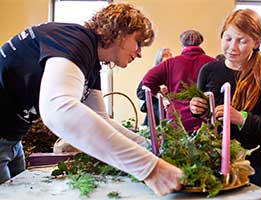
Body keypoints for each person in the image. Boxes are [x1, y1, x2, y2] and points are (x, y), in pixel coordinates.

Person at [0, 3, 184, 196]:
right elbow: (58, 110)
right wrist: (149, 168)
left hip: (13, 141)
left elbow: (101, 118)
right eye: (138, 42)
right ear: (120, 31)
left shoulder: (90, 62)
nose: (139, 53)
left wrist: (150, 148)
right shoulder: (74, 39)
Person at [189, 9, 261, 192]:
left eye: (242, 41)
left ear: (257, 42)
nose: (232, 47)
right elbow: (205, 120)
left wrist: (241, 118)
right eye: (227, 38)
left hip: (255, 165)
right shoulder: (209, 70)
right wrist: (197, 109)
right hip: (214, 160)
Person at [142, 29, 214, 132]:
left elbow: (147, 81)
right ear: (200, 43)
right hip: (204, 122)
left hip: (176, 121)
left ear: (182, 44)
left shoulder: (170, 63)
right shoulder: (211, 63)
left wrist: (161, 95)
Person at [136, 48, 172, 126]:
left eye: (170, 56)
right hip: (154, 118)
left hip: (170, 118)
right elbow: (140, 93)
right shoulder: (152, 75)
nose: (169, 58)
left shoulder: (173, 75)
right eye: (165, 56)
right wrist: (158, 91)